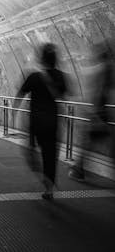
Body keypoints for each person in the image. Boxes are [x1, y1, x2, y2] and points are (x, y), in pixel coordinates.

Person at [13, 43, 68, 200]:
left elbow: (21, 93)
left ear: (42, 59)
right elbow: (64, 95)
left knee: (30, 150)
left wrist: (14, 111)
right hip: (53, 123)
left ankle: (39, 171)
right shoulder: (61, 76)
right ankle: (49, 188)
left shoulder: (34, 76)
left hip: (36, 123)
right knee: (50, 154)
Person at [68, 41, 114, 181]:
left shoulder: (99, 69)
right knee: (101, 144)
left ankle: (78, 170)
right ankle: (78, 169)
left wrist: (93, 112)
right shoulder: (107, 68)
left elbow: (95, 92)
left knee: (86, 144)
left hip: (96, 114)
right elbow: (102, 91)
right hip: (101, 113)